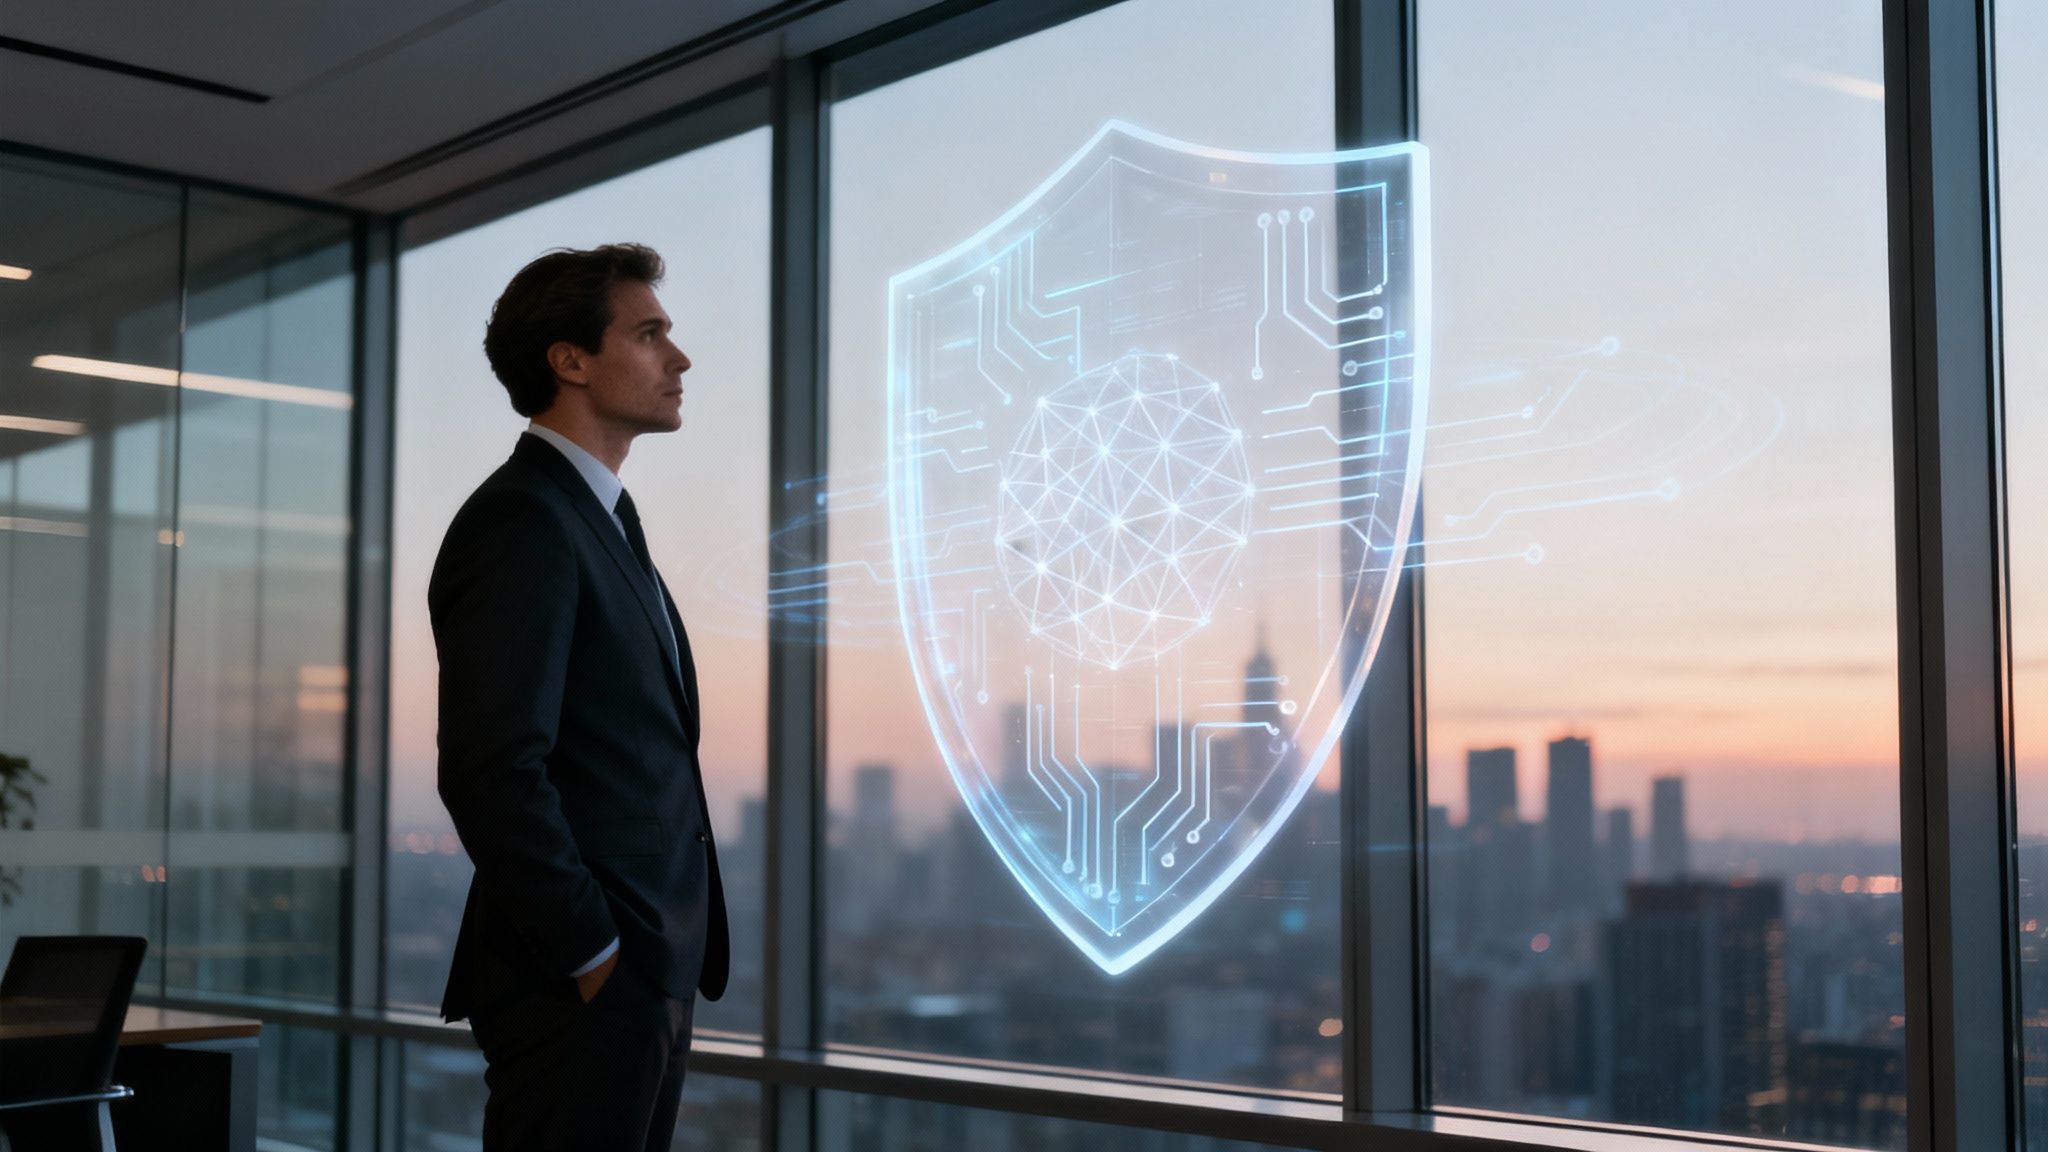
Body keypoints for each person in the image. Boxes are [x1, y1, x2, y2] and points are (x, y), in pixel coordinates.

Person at [430, 243, 727, 1151]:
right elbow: (491, 770)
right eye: (649, 334)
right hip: (582, 977)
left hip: (641, 969)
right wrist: (596, 957)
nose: (679, 359)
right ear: (570, 360)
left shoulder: (599, 518)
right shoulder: (525, 519)